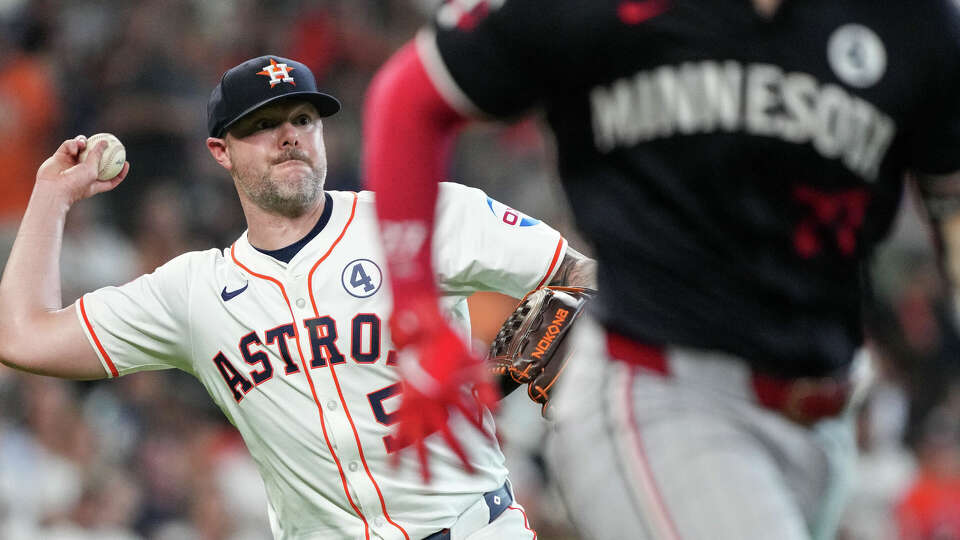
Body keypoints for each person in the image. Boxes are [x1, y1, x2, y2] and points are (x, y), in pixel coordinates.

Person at [362, 1, 960, 539]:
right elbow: (411, 97)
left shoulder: (916, 19)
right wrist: (416, 313)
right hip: (660, 391)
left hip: (826, 415)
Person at [0, 54, 593, 539]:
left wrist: (586, 323)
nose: (288, 136)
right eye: (261, 124)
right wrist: (50, 196)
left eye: (303, 118)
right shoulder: (192, 293)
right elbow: (21, 336)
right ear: (219, 152)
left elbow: (583, 273)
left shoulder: (420, 214)